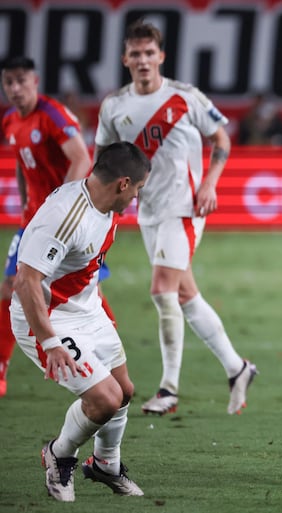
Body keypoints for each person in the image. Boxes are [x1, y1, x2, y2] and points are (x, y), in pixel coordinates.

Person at [94, 20, 258, 416]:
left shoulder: (186, 97)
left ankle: (168, 389)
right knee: (184, 294)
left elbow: (222, 138)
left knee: (161, 289)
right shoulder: (114, 106)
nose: (143, 60)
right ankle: (238, 369)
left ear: (161, 57)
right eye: (136, 54)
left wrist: (210, 184)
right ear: (125, 59)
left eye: (150, 53)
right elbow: (104, 159)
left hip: (185, 208)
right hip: (147, 211)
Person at [11, 141, 150, 502]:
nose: (137, 197)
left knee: (124, 392)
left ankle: (106, 464)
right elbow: (25, 281)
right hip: (46, 317)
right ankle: (58, 454)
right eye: (137, 188)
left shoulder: (103, 202)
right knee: (105, 399)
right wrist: (51, 342)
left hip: (86, 309)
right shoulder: (66, 215)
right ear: (122, 184)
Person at [0, 56, 117, 398]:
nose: (15, 88)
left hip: (62, 225)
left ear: (35, 81)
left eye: (21, 80)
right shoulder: (10, 121)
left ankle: (106, 343)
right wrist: (26, 206)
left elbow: (81, 158)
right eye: (9, 82)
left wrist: (57, 206)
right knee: (11, 285)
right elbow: (23, 164)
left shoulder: (53, 116)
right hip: (32, 223)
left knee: (86, 287)